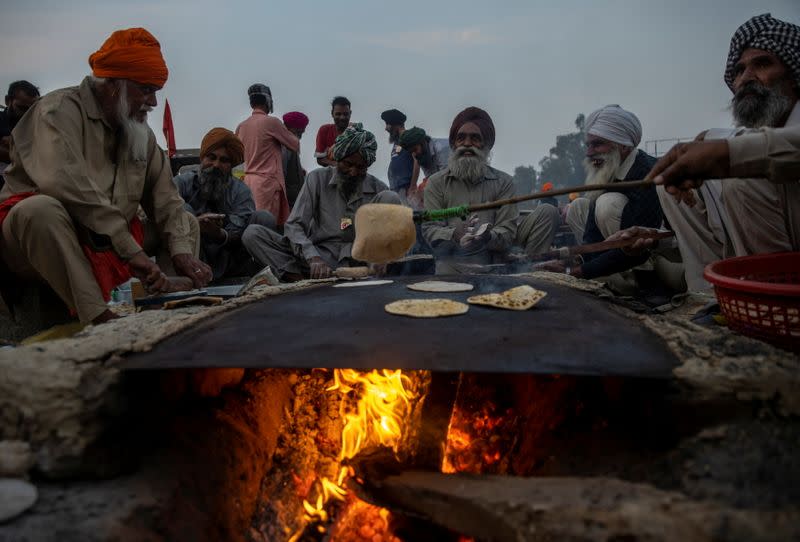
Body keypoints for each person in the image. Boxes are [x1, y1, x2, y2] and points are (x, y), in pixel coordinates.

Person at [0, 28, 210, 325]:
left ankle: (166, 312)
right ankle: (100, 320)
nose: (152, 102)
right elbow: (64, 186)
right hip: (42, 240)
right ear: (114, 85)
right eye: (146, 89)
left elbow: (167, 199)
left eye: (155, 92)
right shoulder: (56, 111)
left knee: (184, 224)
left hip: (110, 242)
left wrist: (182, 254)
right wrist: (129, 248)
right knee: (39, 210)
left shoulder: (141, 133)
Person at [651, 13, 800, 291]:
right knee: (672, 184)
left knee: (745, 171)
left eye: (763, 63)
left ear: (794, 75)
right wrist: (655, 240)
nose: (746, 78)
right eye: (739, 70)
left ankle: (770, 299)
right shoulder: (745, 135)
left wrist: (721, 151)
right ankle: (709, 299)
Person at [243, 124, 401, 280]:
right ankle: (298, 280)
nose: (353, 172)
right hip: (320, 258)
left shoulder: (378, 189)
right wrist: (313, 258)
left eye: (360, 167)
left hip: (361, 259)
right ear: (337, 159)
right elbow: (294, 226)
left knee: (391, 198)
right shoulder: (317, 179)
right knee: (253, 234)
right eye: (348, 164)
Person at [555, 105, 680, 293]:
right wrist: (575, 260)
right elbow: (592, 233)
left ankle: (643, 284)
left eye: (597, 144)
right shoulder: (607, 170)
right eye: (588, 145)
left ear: (622, 145)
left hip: (664, 260)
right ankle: (619, 278)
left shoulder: (647, 172)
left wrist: (579, 272)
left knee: (608, 204)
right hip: (621, 256)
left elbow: (637, 246)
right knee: (578, 206)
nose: (589, 152)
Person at [422, 107, 558, 274]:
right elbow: (430, 228)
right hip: (455, 261)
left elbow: (508, 231)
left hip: (498, 261)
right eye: (461, 138)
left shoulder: (504, 182)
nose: (467, 144)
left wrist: (486, 237)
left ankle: (530, 274)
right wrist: (455, 235)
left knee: (547, 211)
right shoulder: (436, 183)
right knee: (446, 283)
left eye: (475, 138)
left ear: (486, 145)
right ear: (453, 144)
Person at [173, 128, 276, 281]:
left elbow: (240, 229)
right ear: (202, 158)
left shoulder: (241, 191)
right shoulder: (182, 183)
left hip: (231, 259)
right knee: (184, 212)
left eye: (224, 160)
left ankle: (265, 278)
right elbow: (165, 214)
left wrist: (218, 233)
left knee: (263, 218)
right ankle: (192, 277)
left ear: (231, 165)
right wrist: (195, 223)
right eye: (211, 157)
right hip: (193, 257)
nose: (216, 165)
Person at [235, 84, 300, 225]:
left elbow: (237, 162)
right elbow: (295, 145)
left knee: (247, 226)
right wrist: (291, 130)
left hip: (245, 184)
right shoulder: (272, 122)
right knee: (265, 230)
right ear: (268, 101)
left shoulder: (241, 126)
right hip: (266, 187)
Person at [398, 126, 450, 208]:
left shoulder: (441, 149)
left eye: (415, 149)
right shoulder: (421, 155)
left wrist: (421, 191)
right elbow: (430, 178)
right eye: (411, 152)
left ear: (423, 143)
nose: (414, 154)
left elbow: (446, 180)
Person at [0, 81, 40, 165]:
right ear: (7, 101)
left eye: (32, 109)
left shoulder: (38, 125)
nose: (27, 113)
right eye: (22, 108)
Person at [381, 108, 416, 202]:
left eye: (387, 124)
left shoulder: (408, 137)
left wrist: (412, 186)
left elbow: (417, 160)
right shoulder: (397, 141)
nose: (386, 128)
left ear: (394, 124)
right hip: (395, 188)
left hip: (405, 188)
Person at [282, 111, 309, 207]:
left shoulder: (289, 145)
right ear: (289, 128)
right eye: (299, 132)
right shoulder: (286, 146)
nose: (300, 136)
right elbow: (283, 172)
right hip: (288, 199)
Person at [315, 96, 351, 167]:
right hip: (330, 173)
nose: (342, 117)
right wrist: (338, 165)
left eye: (345, 114)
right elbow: (320, 159)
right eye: (338, 114)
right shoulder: (325, 130)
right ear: (332, 113)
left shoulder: (356, 132)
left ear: (350, 113)